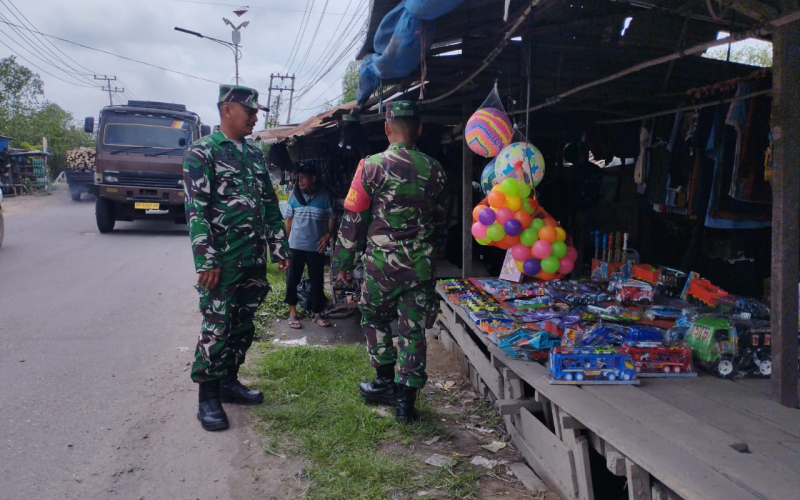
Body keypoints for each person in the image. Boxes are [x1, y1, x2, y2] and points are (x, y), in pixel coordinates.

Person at [183, 85, 290, 432]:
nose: (256, 117)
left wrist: (278, 247)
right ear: (227, 110)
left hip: (252, 259)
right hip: (222, 261)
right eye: (250, 110)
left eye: (256, 111)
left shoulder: (255, 156)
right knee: (217, 325)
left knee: (243, 324)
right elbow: (196, 209)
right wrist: (207, 259)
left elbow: (270, 206)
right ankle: (208, 398)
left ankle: (229, 381)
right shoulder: (203, 153)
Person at [333, 101, 447, 423]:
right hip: (420, 266)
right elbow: (439, 218)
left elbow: (354, 218)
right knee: (413, 329)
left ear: (387, 127)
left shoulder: (370, 167)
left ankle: (384, 382)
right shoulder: (436, 170)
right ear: (419, 129)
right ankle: (406, 404)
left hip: (381, 266)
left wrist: (343, 261)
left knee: (374, 319)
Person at [284, 161, 337, 328]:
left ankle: (317, 313)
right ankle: (292, 314)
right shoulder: (294, 196)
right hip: (296, 245)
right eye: (299, 178)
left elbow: (332, 217)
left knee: (317, 280)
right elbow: (289, 220)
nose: (300, 182)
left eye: (303, 178)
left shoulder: (325, 196)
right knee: (292, 279)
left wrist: (328, 235)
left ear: (313, 178)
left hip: (316, 247)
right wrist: (287, 244)